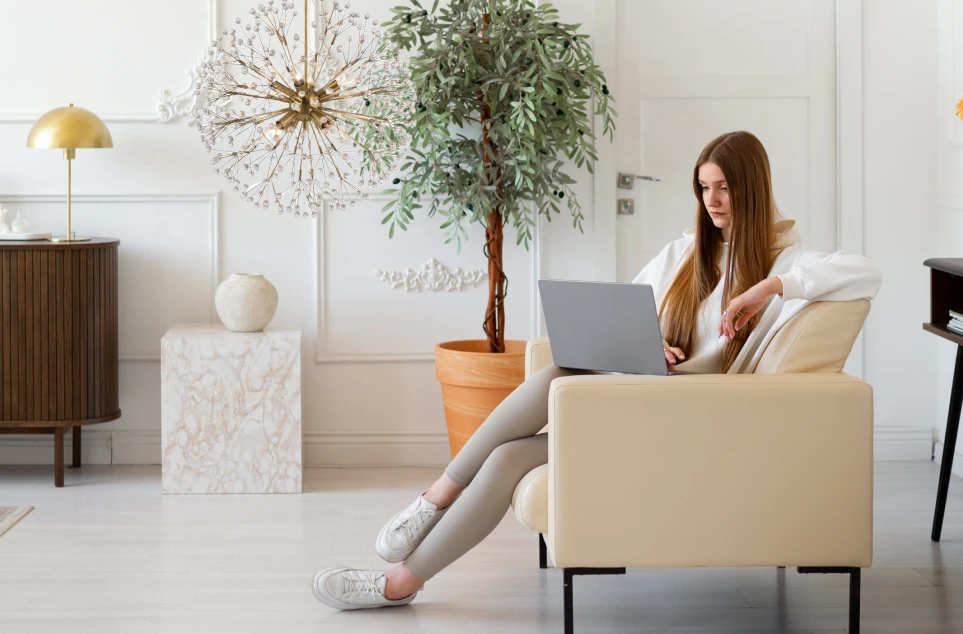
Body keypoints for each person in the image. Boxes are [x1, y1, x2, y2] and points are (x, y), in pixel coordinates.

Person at [311, 130, 883, 610]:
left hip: (687, 416)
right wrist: (652, 341)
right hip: (637, 396)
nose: (713, 200)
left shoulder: (786, 259)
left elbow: (864, 272)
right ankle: (400, 585)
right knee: (513, 452)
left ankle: (434, 498)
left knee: (559, 370)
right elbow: (628, 311)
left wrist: (769, 288)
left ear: (751, 188)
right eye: (705, 188)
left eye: (725, 188)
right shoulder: (684, 252)